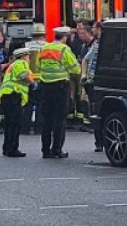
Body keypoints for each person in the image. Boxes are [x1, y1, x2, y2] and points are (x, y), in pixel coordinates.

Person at [37, 26, 81, 159]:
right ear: (65, 37)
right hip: (60, 87)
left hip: (45, 87)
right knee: (60, 119)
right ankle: (57, 150)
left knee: (47, 119)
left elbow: (39, 66)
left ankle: (45, 150)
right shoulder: (64, 49)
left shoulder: (44, 48)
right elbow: (75, 69)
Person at [0, 46, 35, 158]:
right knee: (16, 123)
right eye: (28, 56)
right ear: (24, 56)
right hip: (13, 95)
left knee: (9, 123)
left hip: (6, 95)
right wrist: (33, 84)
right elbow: (23, 76)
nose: (29, 58)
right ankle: (12, 149)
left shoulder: (12, 65)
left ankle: (7, 148)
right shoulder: (21, 63)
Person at [80, 20, 103, 152]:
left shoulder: (107, 44)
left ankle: (102, 140)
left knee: (99, 111)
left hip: (101, 81)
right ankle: (98, 142)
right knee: (94, 111)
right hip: (92, 81)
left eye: (94, 27)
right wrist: (84, 76)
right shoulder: (97, 45)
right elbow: (85, 59)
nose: (92, 30)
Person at [24, 24, 49, 134]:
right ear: (44, 35)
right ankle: (39, 129)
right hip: (42, 80)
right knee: (40, 105)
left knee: (27, 104)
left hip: (28, 79)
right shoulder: (47, 46)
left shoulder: (26, 46)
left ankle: (25, 128)